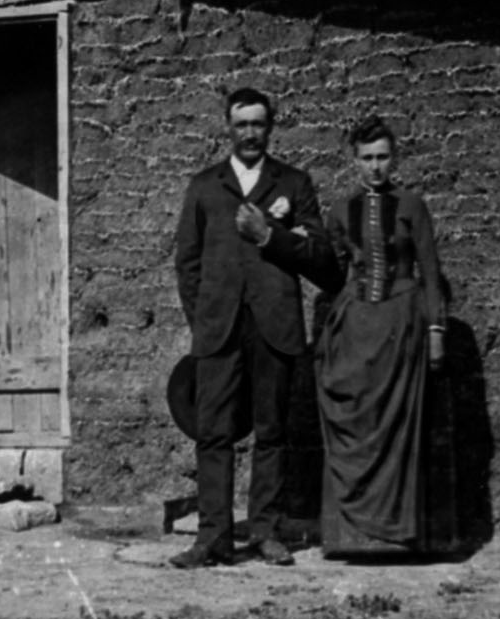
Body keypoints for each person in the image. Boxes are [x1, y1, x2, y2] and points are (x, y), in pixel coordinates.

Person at [170, 86, 339, 568]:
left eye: (258, 124)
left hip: (275, 325)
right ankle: (213, 538)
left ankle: (265, 532)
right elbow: (187, 263)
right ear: (228, 126)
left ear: (271, 127)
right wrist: (203, 318)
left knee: (272, 432)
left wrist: (272, 237)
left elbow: (323, 260)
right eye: (241, 124)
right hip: (219, 328)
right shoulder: (205, 186)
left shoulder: (294, 183)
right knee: (214, 433)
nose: (250, 133)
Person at [316, 116, 450, 557]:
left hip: (401, 325)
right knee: (357, 420)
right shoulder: (340, 210)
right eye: (367, 158)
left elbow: (431, 273)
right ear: (354, 161)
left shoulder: (412, 205)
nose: (376, 167)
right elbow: (331, 270)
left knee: (397, 429)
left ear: (395, 158)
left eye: (383, 157)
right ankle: (352, 538)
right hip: (357, 327)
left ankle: (398, 536)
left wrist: (435, 331)